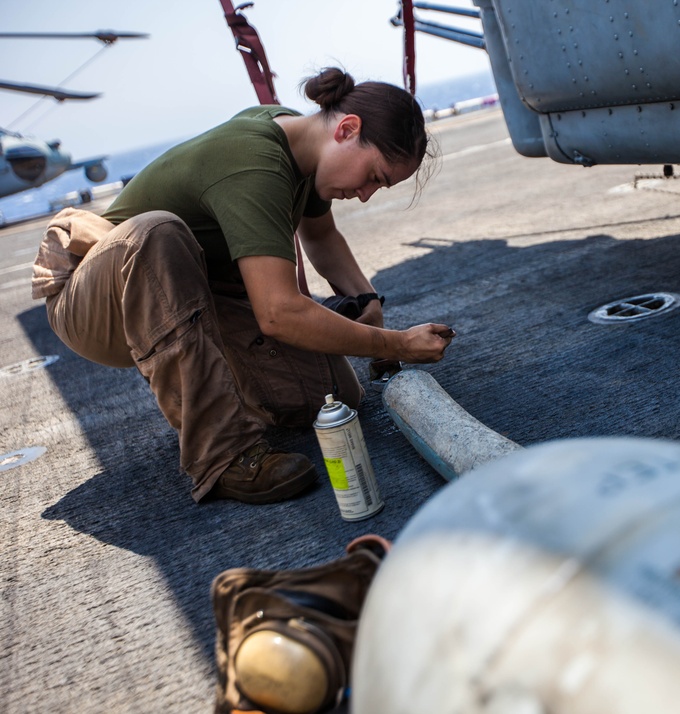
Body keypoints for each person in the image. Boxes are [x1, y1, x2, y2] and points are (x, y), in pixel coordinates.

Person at [32, 67, 454, 505]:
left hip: (196, 290)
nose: (366, 194)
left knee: (332, 399)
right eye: (375, 176)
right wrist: (397, 344)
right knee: (159, 231)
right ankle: (222, 455)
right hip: (99, 299)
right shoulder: (255, 161)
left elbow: (321, 236)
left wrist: (368, 303)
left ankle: (216, 385)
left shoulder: (303, 147)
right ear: (347, 130)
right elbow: (278, 313)